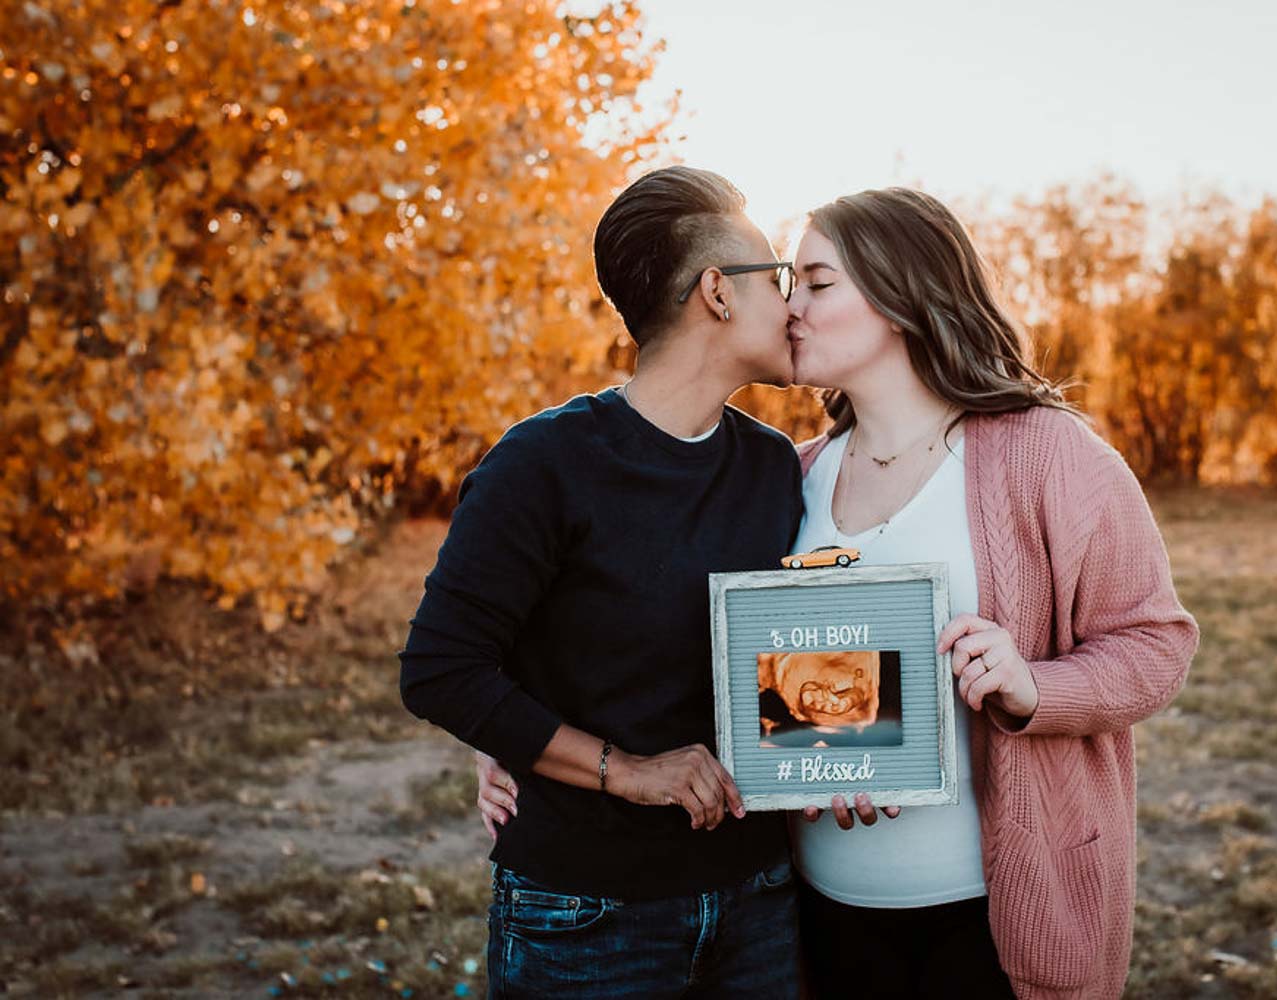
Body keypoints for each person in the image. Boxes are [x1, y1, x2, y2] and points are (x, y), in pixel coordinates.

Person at [476, 186, 1199, 1000]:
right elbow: (662, 635)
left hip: (991, 915)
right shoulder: (793, 476)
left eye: (817, 283)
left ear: (900, 297)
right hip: (817, 917)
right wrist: (524, 744)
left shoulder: (1046, 455)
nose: (790, 307)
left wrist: (1034, 687)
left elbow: (1156, 643)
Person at [400, 165, 807, 999]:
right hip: (585, 915)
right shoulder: (544, 465)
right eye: (780, 276)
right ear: (718, 293)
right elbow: (443, 669)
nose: (795, 301)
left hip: (760, 900)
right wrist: (624, 769)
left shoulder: (773, 466)